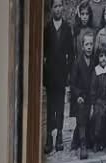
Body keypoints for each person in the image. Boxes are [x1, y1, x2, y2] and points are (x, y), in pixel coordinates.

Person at [43, 1, 77, 154]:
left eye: (60, 6)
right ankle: (49, 137)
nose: (58, 9)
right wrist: (45, 71)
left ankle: (59, 137)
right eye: (55, 6)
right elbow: (42, 53)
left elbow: (71, 53)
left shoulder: (67, 28)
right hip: (50, 75)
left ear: (63, 8)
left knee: (60, 106)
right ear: (51, 9)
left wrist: (68, 72)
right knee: (50, 107)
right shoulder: (47, 28)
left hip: (62, 75)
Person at [70, 29, 97, 157]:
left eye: (91, 44)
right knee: (81, 111)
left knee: (94, 113)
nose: (89, 47)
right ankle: (82, 144)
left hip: (91, 97)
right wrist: (79, 95)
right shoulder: (77, 62)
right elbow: (72, 84)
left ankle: (81, 139)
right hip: (80, 97)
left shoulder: (95, 61)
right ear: (82, 46)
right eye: (87, 44)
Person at [89, 43, 106, 152]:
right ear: (98, 57)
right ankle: (96, 140)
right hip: (98, 101)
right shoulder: (95, 71)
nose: (103, 58)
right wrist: (93, 103)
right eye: (101, 56)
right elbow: (93, 90)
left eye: (105, 56)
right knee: (98, 113)